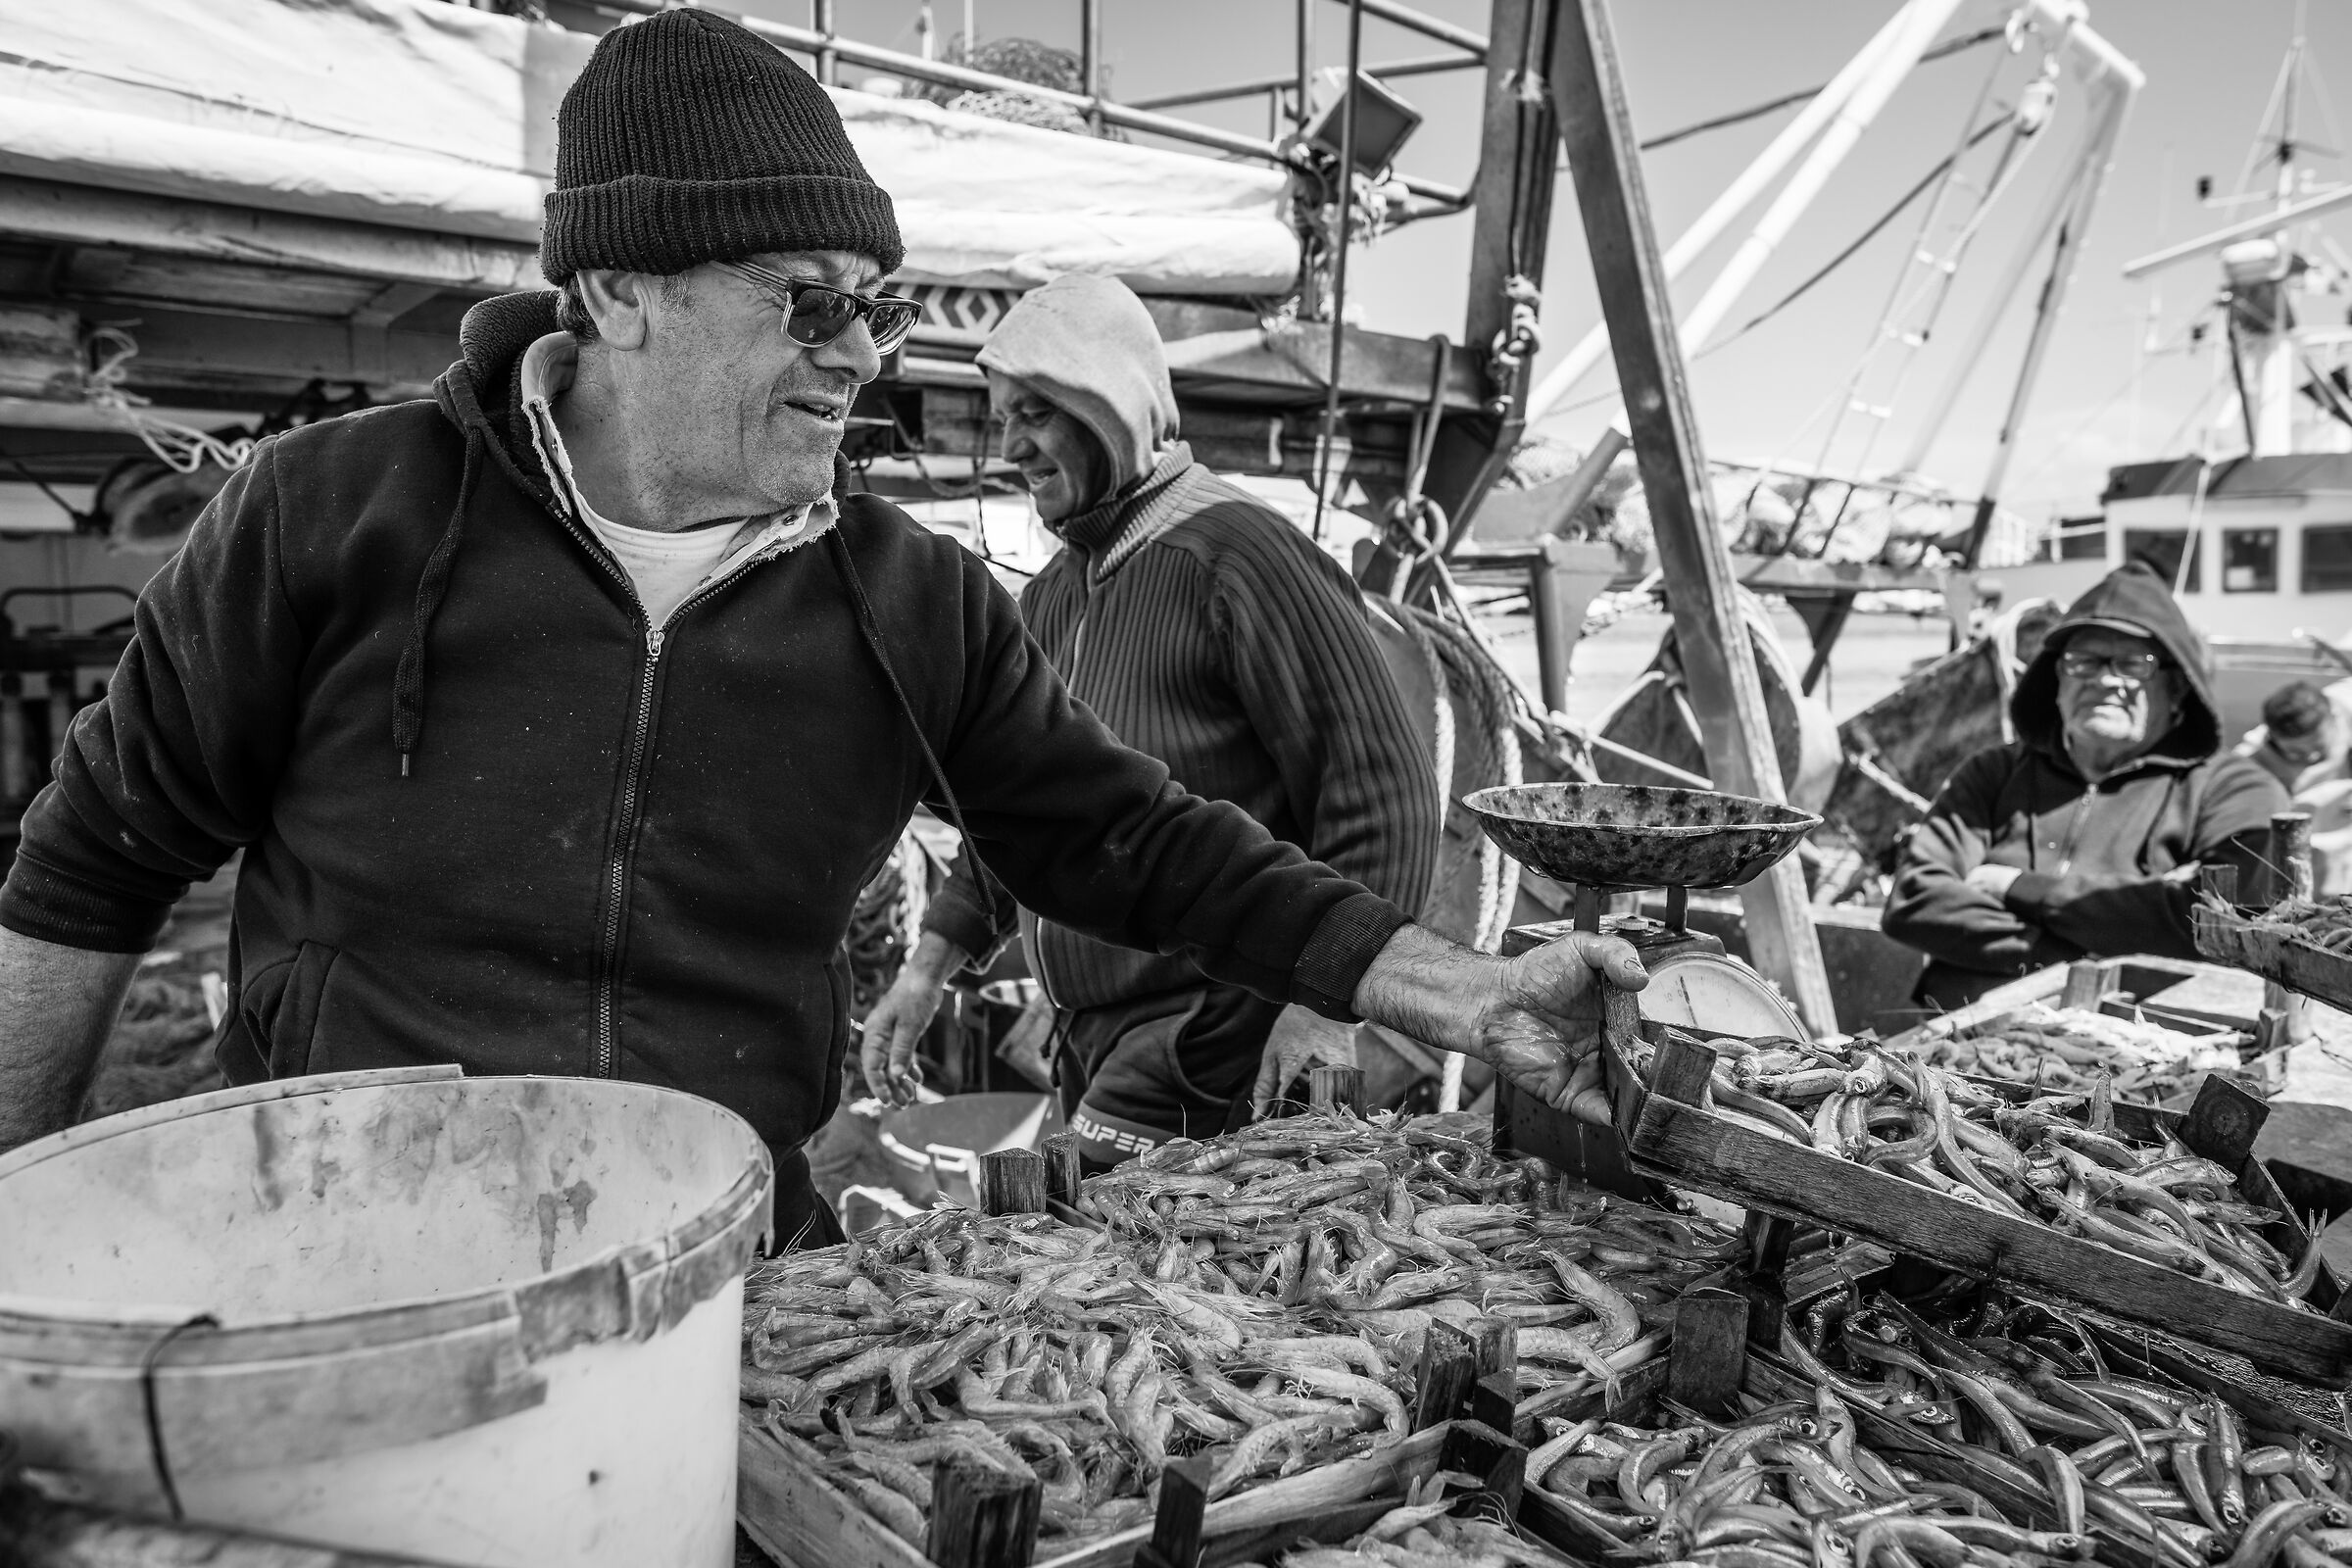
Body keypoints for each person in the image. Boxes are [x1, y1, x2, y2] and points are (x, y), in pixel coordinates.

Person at [0, 11, 1646, 1241]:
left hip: (725, 1270)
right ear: (619, 291)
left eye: (884, 303)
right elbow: (90, 868)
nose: (864, 354)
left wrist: (1460, 991)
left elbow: (1135, 843)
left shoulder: (908, 591)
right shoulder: (325, 512)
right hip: (350, 1251)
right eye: (814, 298)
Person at [859, 275, 1440, 1169]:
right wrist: (927, 966)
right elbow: (1019, 816)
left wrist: (1326, 1004)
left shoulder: (1246, 559)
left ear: (1115, 405)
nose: (1013, 443)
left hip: (1208, 1026)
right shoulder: (1050, 597)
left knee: (1091, 1255)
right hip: (1088, 1030)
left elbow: (1381, 797)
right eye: (1004, 415)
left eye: (1039, 412)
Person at [1883, 561, 2286, 1009]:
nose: (2106, 679)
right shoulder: (1993, 772)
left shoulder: (2233, 790)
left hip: (2133, 1045)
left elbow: (2217, 922)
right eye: (2084, 661)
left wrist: (2019, 888)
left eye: (2134, 664)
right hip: (1956, 1027)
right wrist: (2078, 956)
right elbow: (1914, 901)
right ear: (2056, 680)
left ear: (2178, 689)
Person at [2236, 680, 2339, 792]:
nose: (2311, 759)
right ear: (2271, 737)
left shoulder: (2344, 704)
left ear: (2334, 719)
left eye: (2319, 748)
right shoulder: (2246, 767)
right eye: (2296, 753)